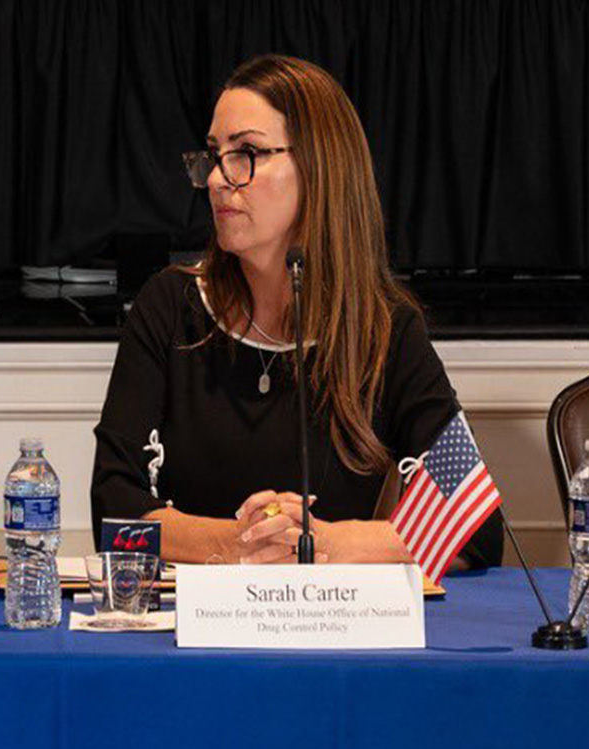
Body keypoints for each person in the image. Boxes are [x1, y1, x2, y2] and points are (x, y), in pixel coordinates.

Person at [90, 54, 502, 568]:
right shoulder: (169, 307)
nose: (219, 179)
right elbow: (112, 518)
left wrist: (326, 543)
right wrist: (239, 543)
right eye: (215, 154)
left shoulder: (384, 328)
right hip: (190, 635)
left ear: (320, 168)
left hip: (332, 634)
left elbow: (476, 529)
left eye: (247, 153)